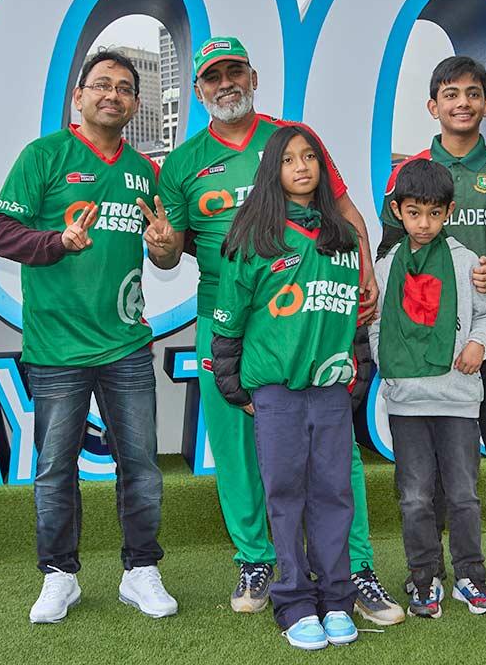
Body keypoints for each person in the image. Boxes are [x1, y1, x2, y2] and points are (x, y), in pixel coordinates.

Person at [141, 37, 404, 623]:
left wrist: (364, 267)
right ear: (199, 88)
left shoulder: (291, 140)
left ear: (254, 77)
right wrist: (159, 250)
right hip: (226, 319)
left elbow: (346, 209)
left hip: (310, 312)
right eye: (213, 76)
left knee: (337, 448)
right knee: (236, 447)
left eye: (235, 71)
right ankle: (257, 558)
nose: (225, 83)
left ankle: (354, 566)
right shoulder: (182, 163)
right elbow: (169, 252)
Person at [0, 49, 177, 623]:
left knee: (141, 465)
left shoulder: (146, 171)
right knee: (54, 467)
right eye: (101, 85)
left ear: (136, 104)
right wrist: (57, 243)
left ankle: (140, 570)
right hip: (56, 348)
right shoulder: (44, 155)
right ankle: (59, 576)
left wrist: (166, 246)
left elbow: (162, 256)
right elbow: (0, 232)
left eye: (123, 88)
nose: (111, 95)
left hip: (126, 345)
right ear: (79, 95)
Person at [377, 55, 486, 595]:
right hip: (423, 326)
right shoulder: (407, 177)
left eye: (472, 93)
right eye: (450, 94)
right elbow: (388, 253)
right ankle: (428, 569)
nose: (461, 102)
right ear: (433, 105)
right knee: (429, 447)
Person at [209, 125, 367, 650]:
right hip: (274, 393)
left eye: (311, 157)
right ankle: (294, 601)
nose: (301, 167)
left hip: (328, 392)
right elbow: (228, 320)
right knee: (285, 494)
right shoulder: (252, 236)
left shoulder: (341, 237)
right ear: (271, 170)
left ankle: (338, 598)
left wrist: (356, 371)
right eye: (289, 159)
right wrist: (235, 386)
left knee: (334, 494)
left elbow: (353, 320)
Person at [369, 158, 486, 617]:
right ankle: (423, 578)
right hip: (406, 401)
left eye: (432, 213)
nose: (423, 223)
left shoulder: (467, 262)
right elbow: (377, 324)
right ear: (398, 212)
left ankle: (471, 576)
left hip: (459, 399)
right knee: (414, 496)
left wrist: (476, 345)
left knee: (464, 493)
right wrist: (388, 367)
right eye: (413, 212)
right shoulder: (387, 268)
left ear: (448, 212)